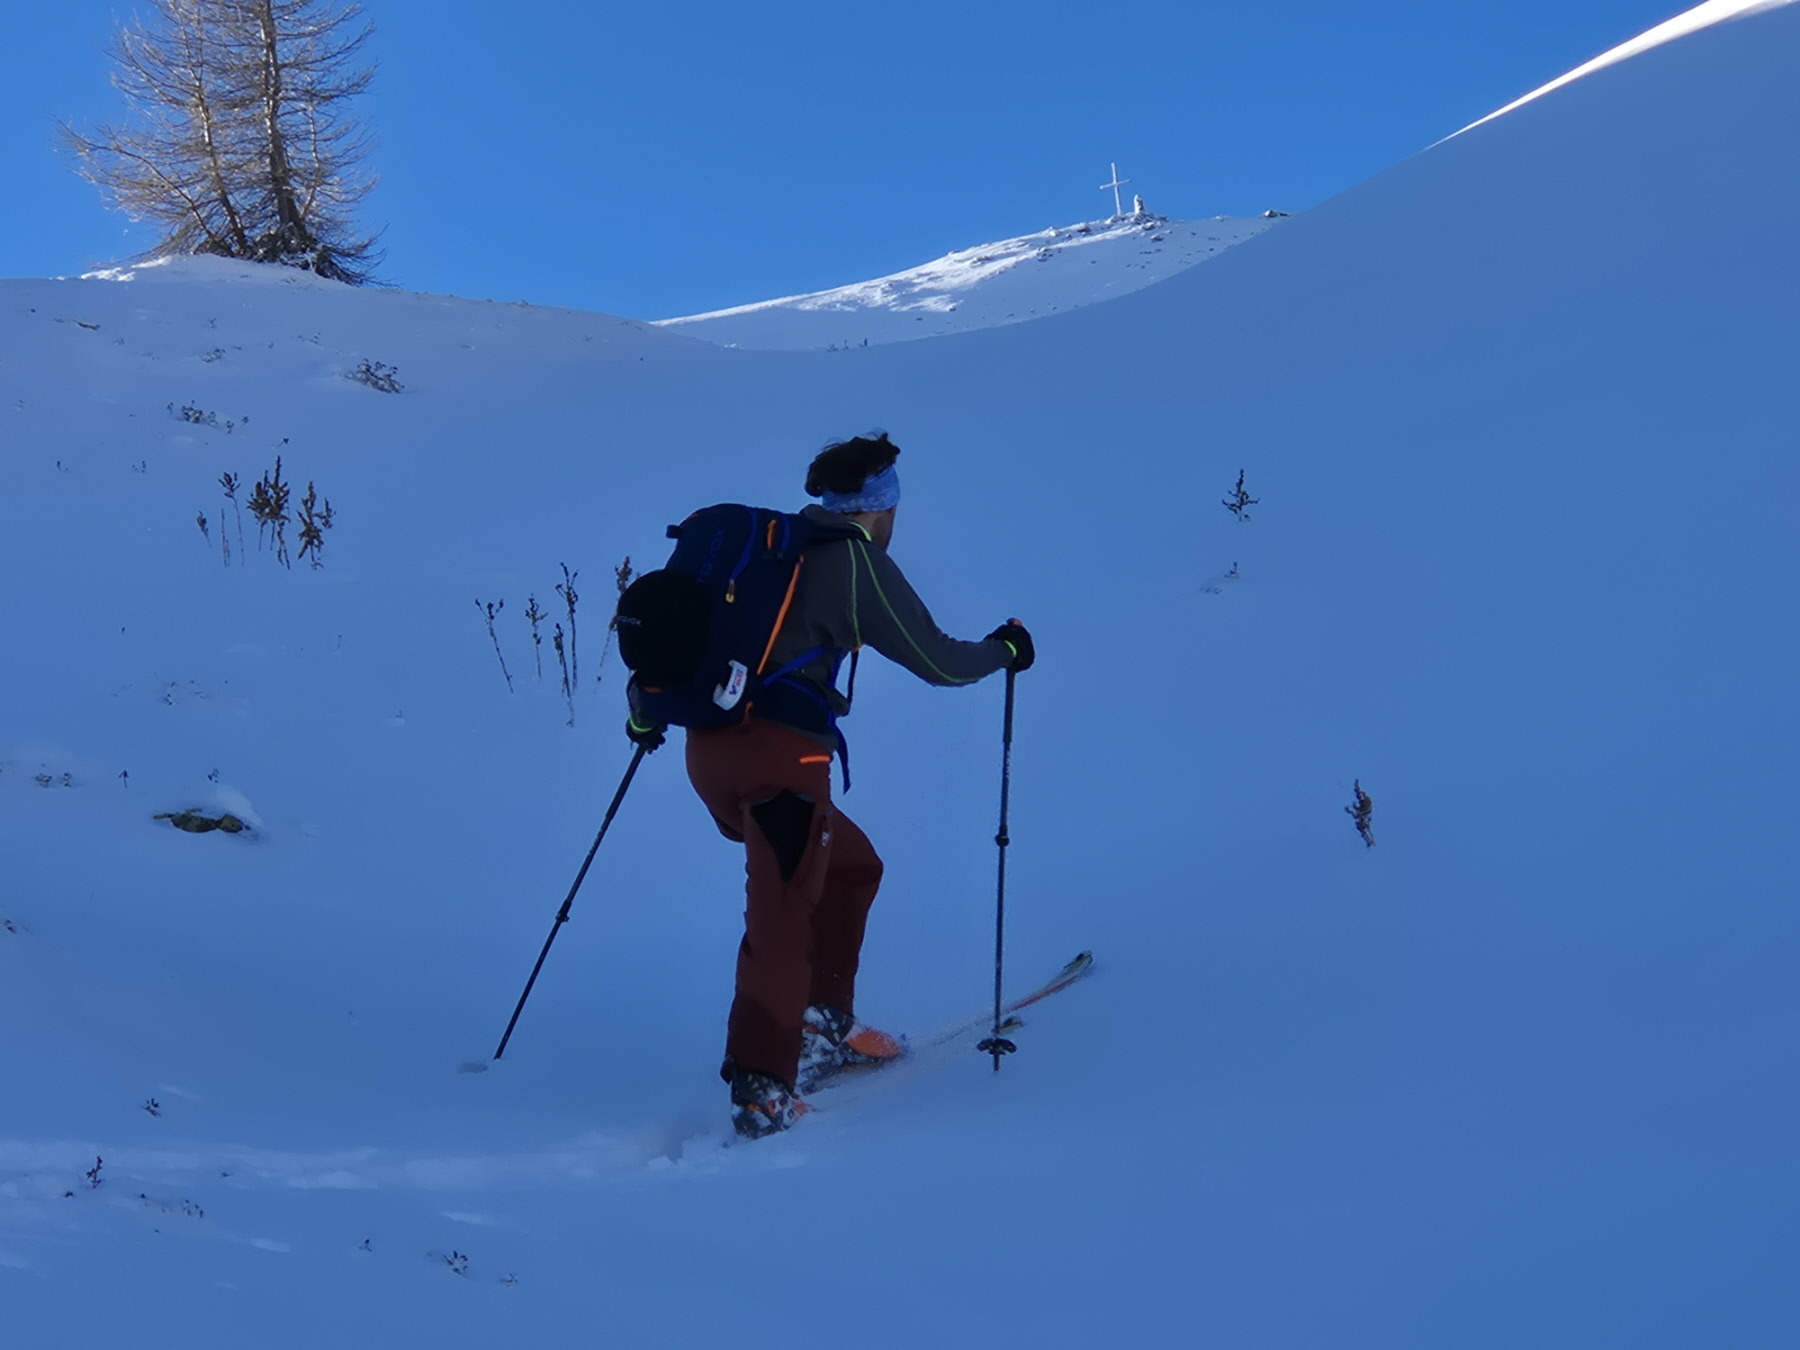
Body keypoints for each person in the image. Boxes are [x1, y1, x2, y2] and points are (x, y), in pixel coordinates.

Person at [626, 433, 1033, 1139]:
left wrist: (644, 717)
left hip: (710, 757)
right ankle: (763, 1086)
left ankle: (818, 1020)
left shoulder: (769, 551)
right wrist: (1004, 651)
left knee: (849, 866)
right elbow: (937, 661)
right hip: (782, 767)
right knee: (782, 916)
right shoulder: (854, 562)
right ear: (881, 507)